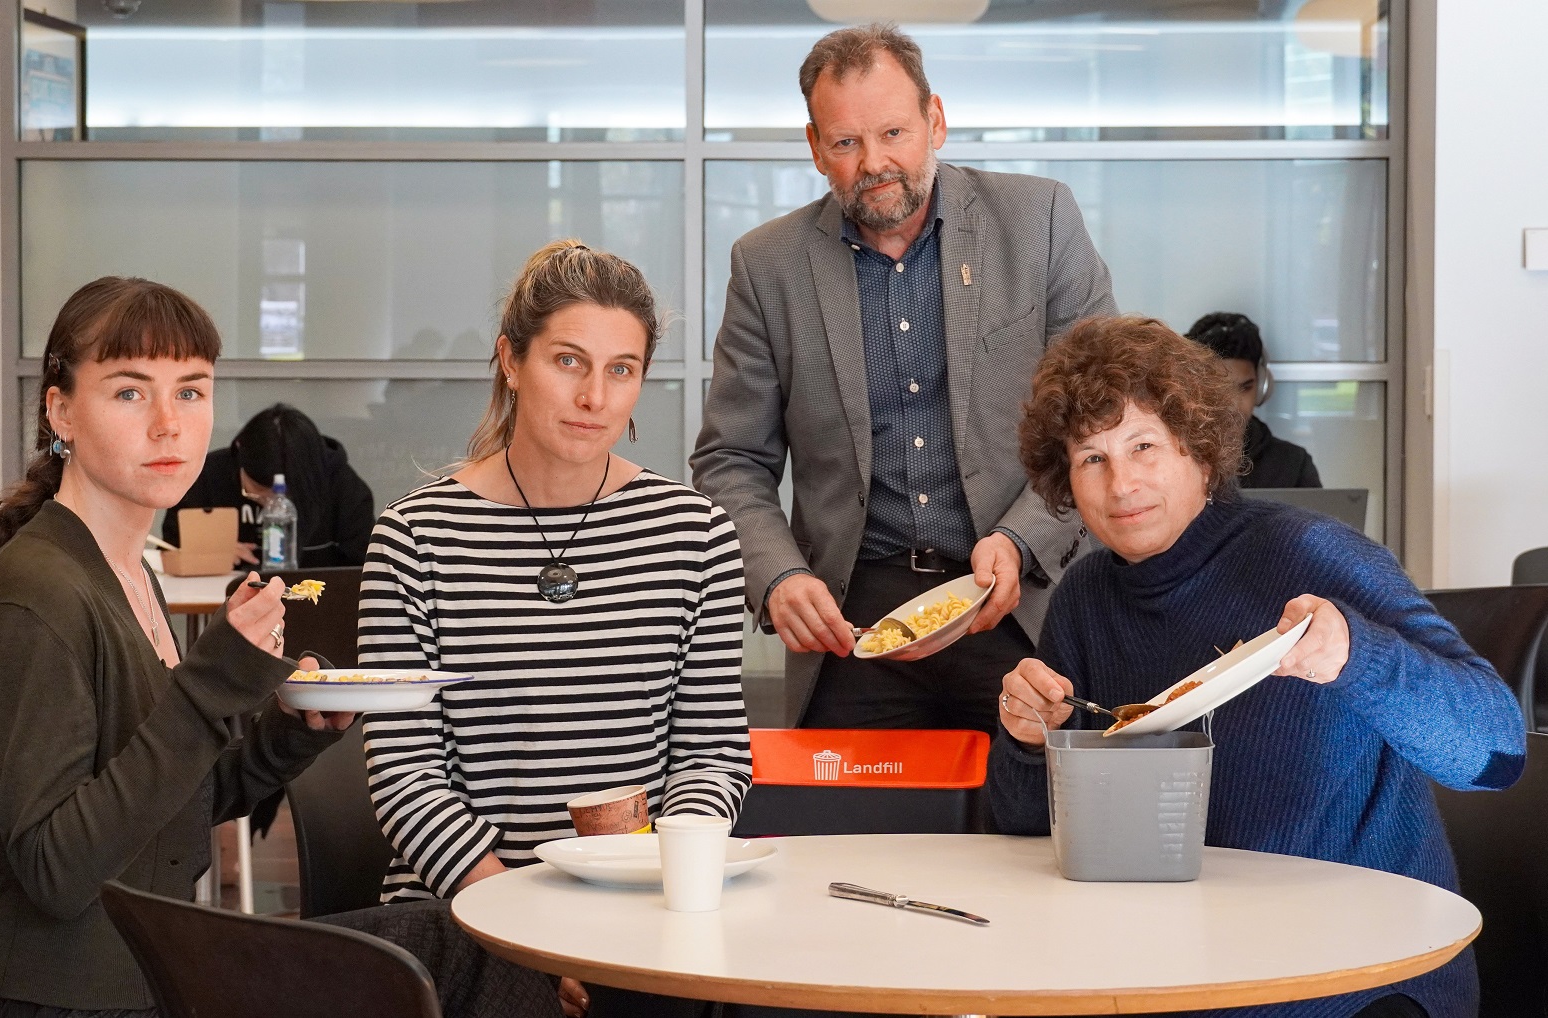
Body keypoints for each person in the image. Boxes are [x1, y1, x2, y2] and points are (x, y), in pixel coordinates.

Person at [990, 315, 1526, 1018]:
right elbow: (1029, 830)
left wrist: (1354, 656)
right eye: (1092, 458)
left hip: (1359, 978)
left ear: (1202, 453)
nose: (1122, 482)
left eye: (1144, 445)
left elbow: (1497, 751)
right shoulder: (1086, 599)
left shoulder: (1315, 555)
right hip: (1177, 969)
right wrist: (1032, 742)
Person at [359, 240, 754, 1018]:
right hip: (465, 916)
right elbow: (404, 776)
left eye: (621, 369)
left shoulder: (695, 534)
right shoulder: (415, 538)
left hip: (642, 914)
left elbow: (712, 755)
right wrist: (526, 928)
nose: (595, 397)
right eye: (568, 361)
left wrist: (661, 888)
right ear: (511, 360)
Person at [0, 276, 356, 1017]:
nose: (169, 423)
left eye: (191, 391)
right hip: (70, 999)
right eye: (130, 392)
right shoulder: (37, 594)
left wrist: (291, 734)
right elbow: (58, 869)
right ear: (60, 410)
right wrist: (212, 683)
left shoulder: (127, 571)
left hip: (151, 977)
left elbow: (168, 803)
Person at [691, 23, 1116, 734]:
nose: (875, 162)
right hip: (854, 618)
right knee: (849, 840)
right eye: (847, 142)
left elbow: (1101, 416)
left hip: (1021, 596)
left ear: (935, 120)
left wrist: (1020, 539)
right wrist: (779, 575)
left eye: (893, 132)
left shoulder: (1039, 219)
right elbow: (731, 459)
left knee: (1034, 830)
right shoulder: (767, 266)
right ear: (816, 148)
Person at [162, 403, 375, 569]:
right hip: (223, 605)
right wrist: (210, 556)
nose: (271, 504)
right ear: (239, 452)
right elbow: (169, 548)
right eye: (259, 492)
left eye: (284, 495)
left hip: (318, 607)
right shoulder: (208, 475)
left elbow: (364, 567)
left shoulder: (341, 484)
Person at [1186, 311, 1322, 488]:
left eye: (1245, 388)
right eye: (1220, 389)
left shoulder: (1294, 464)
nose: (1233, 405)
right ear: (1194, 388)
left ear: (1262, 387)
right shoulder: (1174, 460)